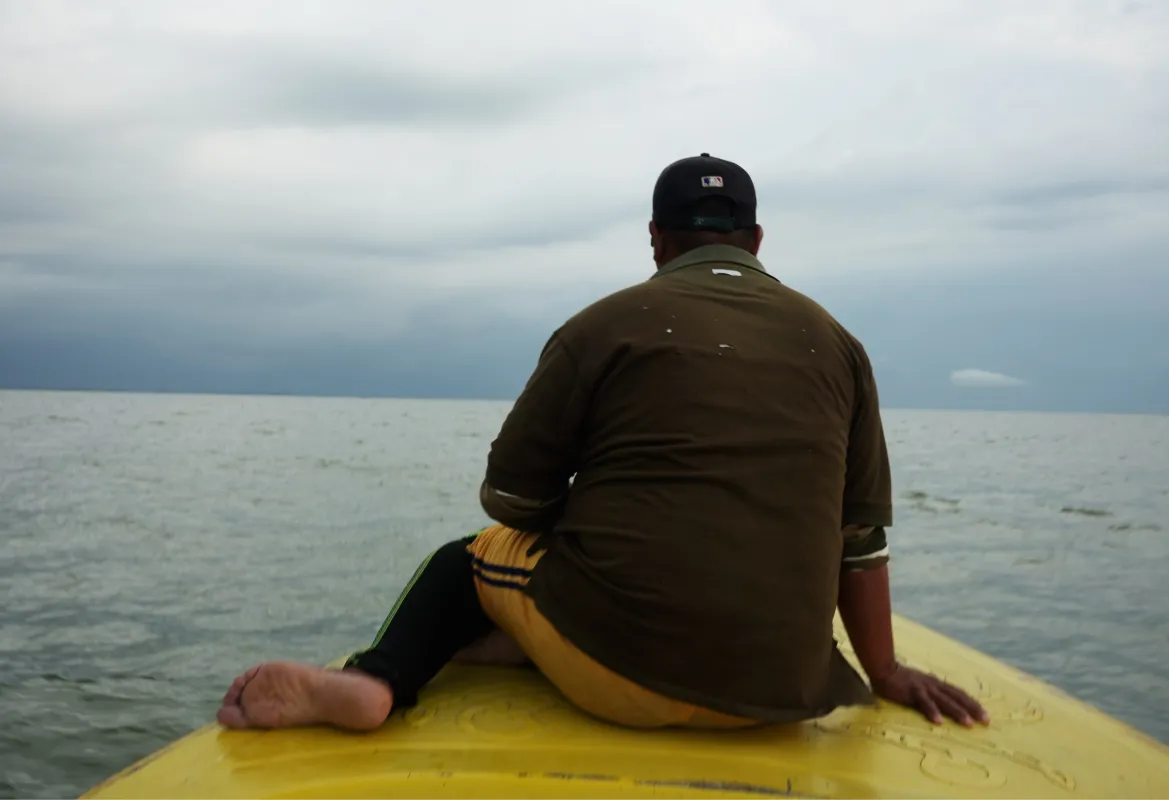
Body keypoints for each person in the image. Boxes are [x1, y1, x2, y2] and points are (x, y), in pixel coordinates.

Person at [217, 153, 989, 733]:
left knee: (469, 559)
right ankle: (518, 645)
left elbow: (510, 500)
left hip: (622, 678)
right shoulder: (839, 345)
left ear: (656, 242)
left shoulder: (603, 325)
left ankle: (375, 683)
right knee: (549, 591)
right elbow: (860, 539)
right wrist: (882, 669)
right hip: (782, 698)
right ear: (756, 239)